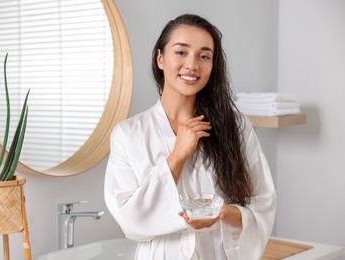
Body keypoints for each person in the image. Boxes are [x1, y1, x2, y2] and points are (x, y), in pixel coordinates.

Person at [104, 14, 276, 260]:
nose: (192, 65)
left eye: (204, 56)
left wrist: (221, 214)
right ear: (160, 58)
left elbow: (263, 203)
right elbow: (130, 220)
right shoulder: (128, 134)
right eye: (181, 52)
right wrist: (177, 156)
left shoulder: (235, 126)